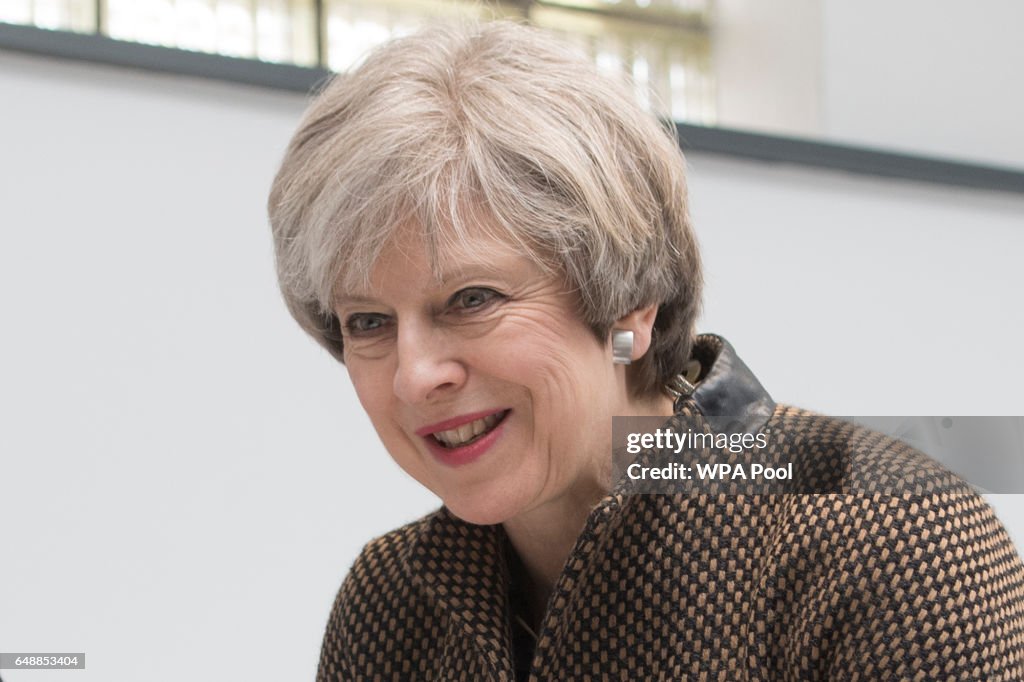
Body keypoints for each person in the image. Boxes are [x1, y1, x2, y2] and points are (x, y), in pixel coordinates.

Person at [267, 20, 1024, 680]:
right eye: (368, 322)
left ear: (629, 302)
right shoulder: (389, 603)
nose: (414, 376)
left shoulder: (889, 543)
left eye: (472, 301)